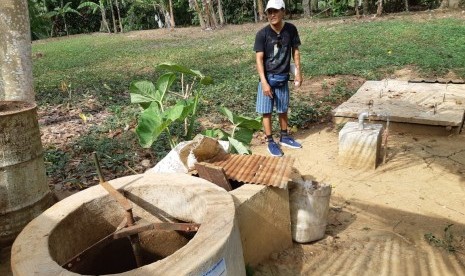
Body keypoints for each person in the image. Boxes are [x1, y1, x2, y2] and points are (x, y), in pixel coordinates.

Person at [254, 0, 303, 157]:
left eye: (275, 11)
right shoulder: (262, 34)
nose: (272, 15)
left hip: (282, 77)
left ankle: (284, 136)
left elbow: (295, 51)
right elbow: (259, 59)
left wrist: (298, 72)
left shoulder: (291, 29)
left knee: (283, 109)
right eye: (269, 12)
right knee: (266, 111)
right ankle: (270, 141)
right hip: (267, 78)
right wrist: (263, 82)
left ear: (283, 11)